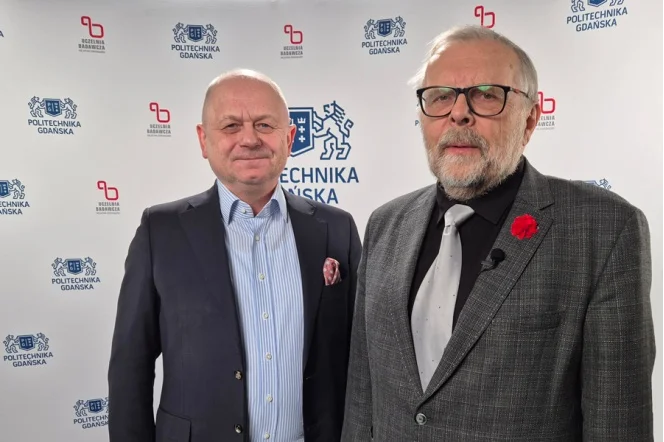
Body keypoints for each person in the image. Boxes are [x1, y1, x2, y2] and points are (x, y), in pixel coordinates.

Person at [342, 25, 655, 441]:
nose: (458, 113)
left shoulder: (603, 231)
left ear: (530, 120)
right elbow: (362, 403)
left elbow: (617, 423)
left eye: (487, 94)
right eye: (440, 96)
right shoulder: (385, 224)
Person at [108, 69, 362, 442]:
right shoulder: (159, 231)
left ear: (290, 138)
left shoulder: (337, 229)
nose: (249, 139)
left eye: (264, 125)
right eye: (230, 126)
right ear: (203, 139)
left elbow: (363, 359)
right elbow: (131, 367)